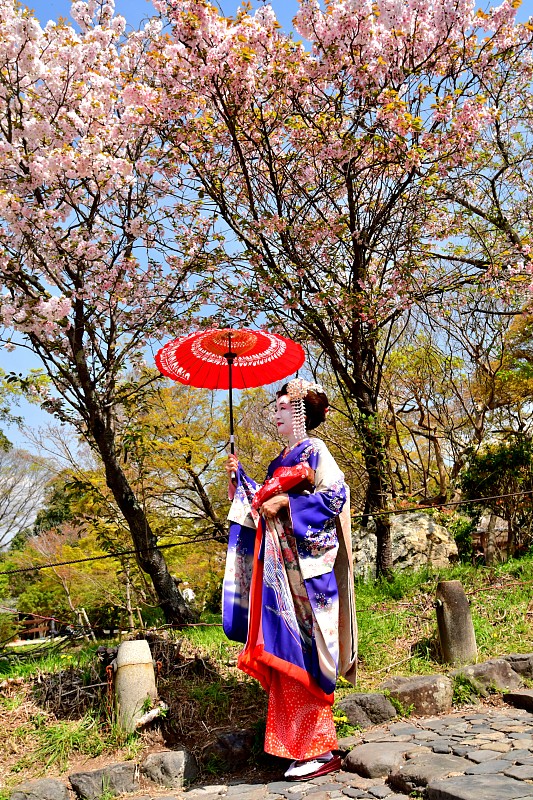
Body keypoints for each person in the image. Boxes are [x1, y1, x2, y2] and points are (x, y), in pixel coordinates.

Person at [222, 378, 357, 781]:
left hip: (305, 571)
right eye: (277, 408)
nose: (276, 415)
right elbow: (258, 502)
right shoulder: (278, 461)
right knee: (284, 654)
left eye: (282, 409)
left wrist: (290, 503)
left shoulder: (316, 452)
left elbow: (336, 495)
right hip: (278, 569)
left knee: (306, 652)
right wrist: (240, 478)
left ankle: (319, 747)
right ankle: (298, 746)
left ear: (299, 413)